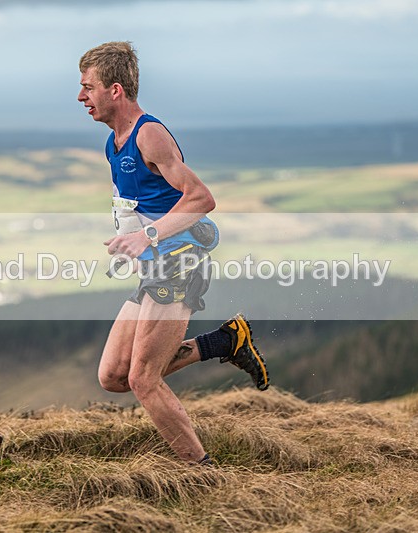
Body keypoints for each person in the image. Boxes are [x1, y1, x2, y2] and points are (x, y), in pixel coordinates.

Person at [77, 41, 269, 465]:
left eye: (87, 87)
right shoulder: (114, 142)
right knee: (113, 376)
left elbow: (201, 198)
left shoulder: (150, 134)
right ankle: (225, 341)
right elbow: (142, 203)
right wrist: (129, 239)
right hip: (154, 268)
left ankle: (201, 472)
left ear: (115, 90)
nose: (80, 97)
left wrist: (146, 235)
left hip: (180, 264)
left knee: (143, 379)